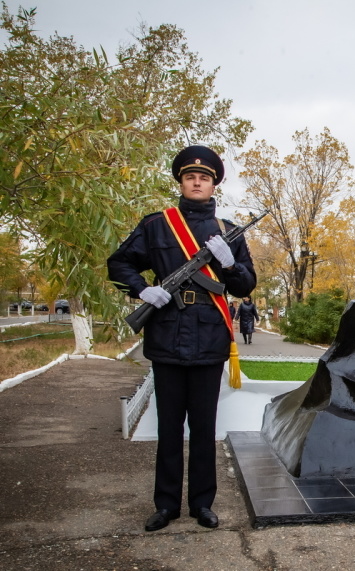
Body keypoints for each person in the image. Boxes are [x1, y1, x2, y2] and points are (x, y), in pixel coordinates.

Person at [108, 145, 256, 531]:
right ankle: (166, 505)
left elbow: (246, 284)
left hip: (209, 338)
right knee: (169, 428)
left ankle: (202, 505)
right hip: (168, 333)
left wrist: (229, 261)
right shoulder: (157, 224)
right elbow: (119, 262)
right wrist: (142, 290)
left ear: (213, 186)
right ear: (181, 181)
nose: (196, 181)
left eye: (204, 178)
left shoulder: (227, 232)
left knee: (204, 429)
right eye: (190, 176)